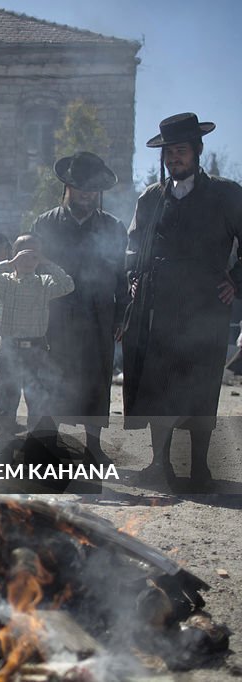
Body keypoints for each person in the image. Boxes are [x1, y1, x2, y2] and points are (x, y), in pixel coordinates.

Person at [122, 113, 242, 490]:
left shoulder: (226, 194)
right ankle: (160, 465)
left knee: (201, 382)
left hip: (206, 305)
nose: (174, 158)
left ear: (197, 151)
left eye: (181, 150)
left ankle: (201, 470)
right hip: (160, 304)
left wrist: (235, 282)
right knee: (159, 383)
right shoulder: (151, 199)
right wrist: (134, 279)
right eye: (169, 152)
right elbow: (134, 246)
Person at [31, 152, 127, 463]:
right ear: (68, 187)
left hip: (99, 314)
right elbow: (34, 272)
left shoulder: (113, 227)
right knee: (52, 377)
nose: (86, 194)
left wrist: (121, 314)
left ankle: (94, 448)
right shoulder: (45, 224)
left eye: (92, 189)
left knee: (96, 380)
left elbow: (121, 275)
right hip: (55, 315)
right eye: (80, 187)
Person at [0, 233, 75, 454]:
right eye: (24, 255)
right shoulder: (4, 282)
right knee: (6, 406)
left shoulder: (45, 283)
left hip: (36, 351)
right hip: (9, 350)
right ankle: (3, 458)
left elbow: (68, 285)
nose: (29, 261)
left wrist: (47, 263)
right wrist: (8, 264)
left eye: (34, 256)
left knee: (37, 407)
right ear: (15, 255)